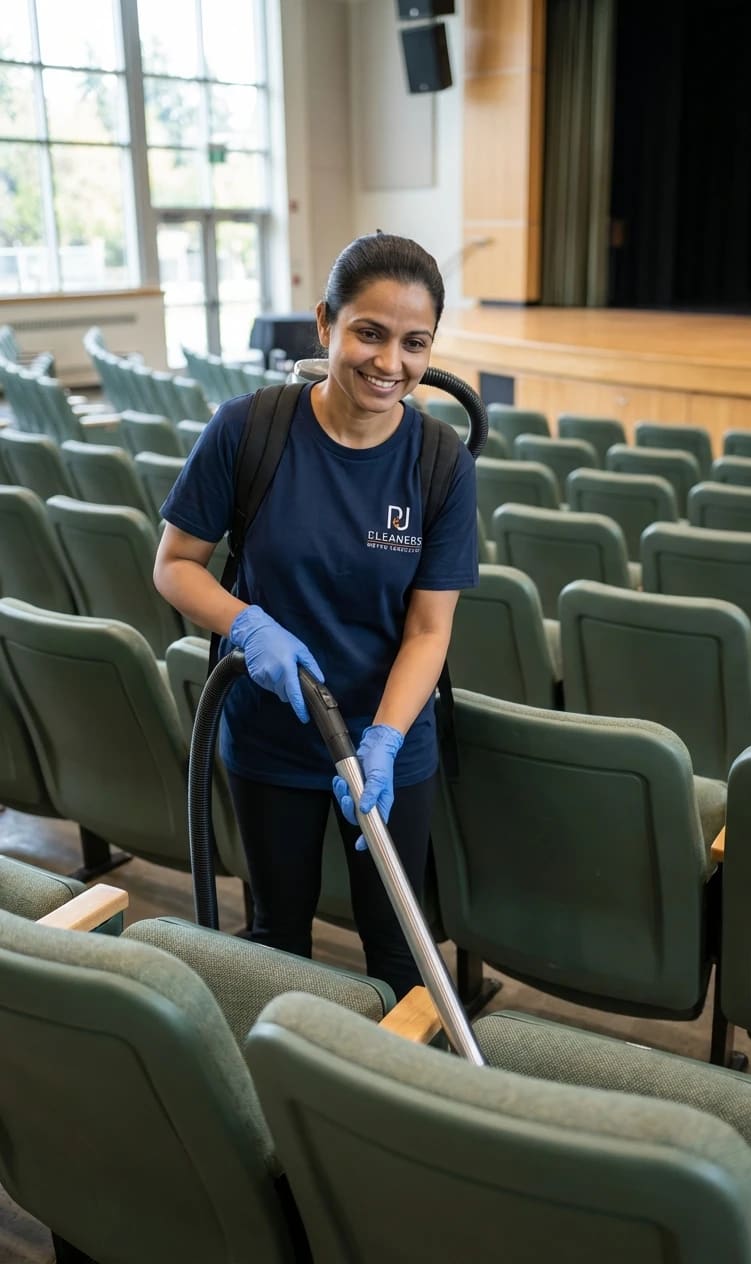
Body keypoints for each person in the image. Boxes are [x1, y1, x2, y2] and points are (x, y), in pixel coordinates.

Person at [153, 232, 478, 999]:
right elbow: (174, 564)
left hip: (388, 747)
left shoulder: (440, 463)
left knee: (400, 954)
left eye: (414, 343)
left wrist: (386, 741)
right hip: (270, 736)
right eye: (370, 333)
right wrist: (248, 624)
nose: (390, 362)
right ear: (326, 323)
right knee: (277, 941)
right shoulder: (248, 429)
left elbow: (429, 630)